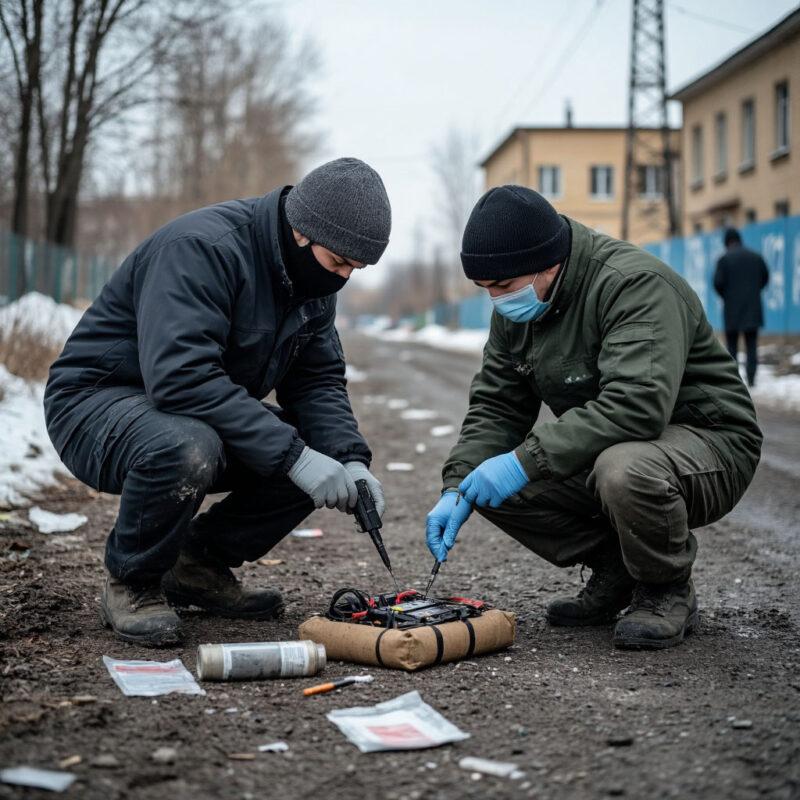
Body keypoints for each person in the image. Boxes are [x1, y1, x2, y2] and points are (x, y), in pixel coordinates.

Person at [44, 158, 391, 646]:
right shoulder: (202, 248)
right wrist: (293, 456)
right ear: (301, 233)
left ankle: (196, 564)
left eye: (357, 268)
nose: (345, 277)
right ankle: (133, 582)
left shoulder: (312, 284)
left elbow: (317, 380)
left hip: (187, 411)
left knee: (321, 452)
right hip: (95, 404)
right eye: (339, 262)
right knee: (192, 445)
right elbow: (179, 376)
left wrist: (349, 460)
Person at [425, 186, 762, 650]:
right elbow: (498, 405)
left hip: (710, 444)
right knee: (482, 482)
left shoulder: (633, 285)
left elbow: (637, 405)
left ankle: (666, 589)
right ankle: (617, 569)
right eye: (486, 290)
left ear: (548, 262)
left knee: (623, 468)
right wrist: (457, 484)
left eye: (502, 287)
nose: (496, 301)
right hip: (618, 444)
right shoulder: (521, 303)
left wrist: (523, 461)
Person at [713, 228, 770, 387]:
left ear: (727, 242)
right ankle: (752, 379)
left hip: (732, 310)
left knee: (732, 347)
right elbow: (765, 278)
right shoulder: (756, 257)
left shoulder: (724, 260)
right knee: (751, 345)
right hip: (753, 309)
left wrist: (727, 296)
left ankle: (734, 381)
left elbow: (717, 283)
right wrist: (753, 293)